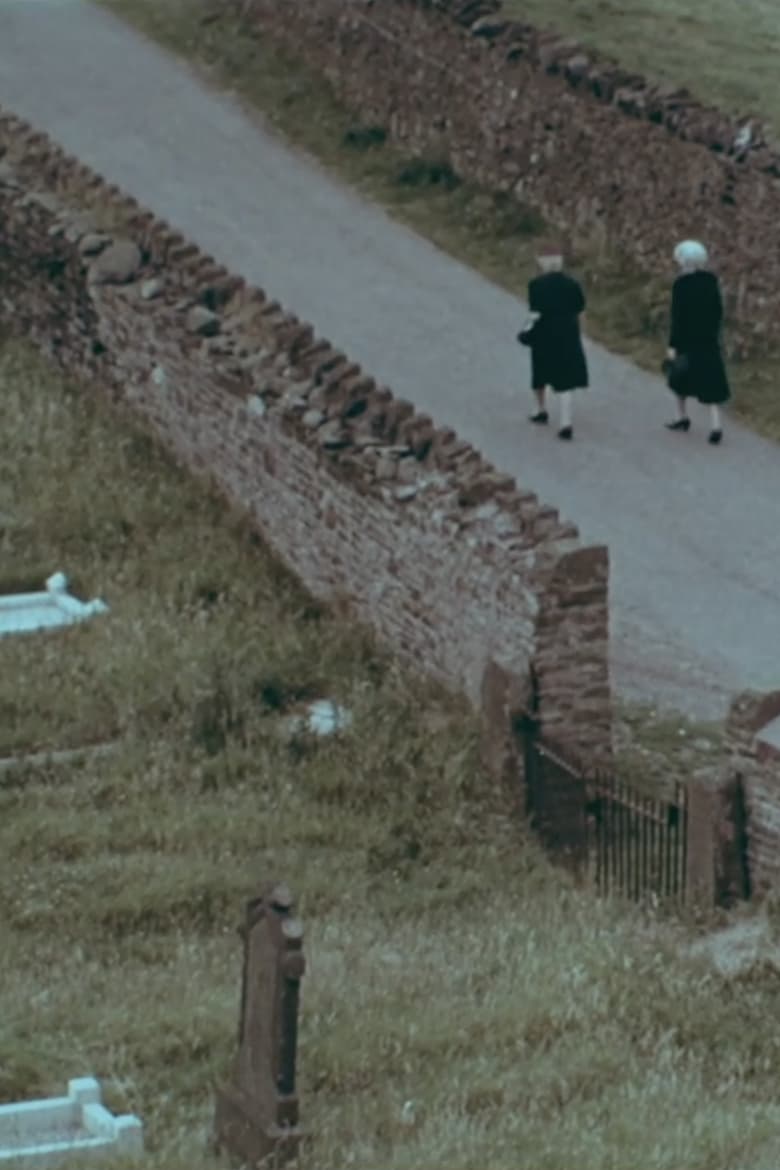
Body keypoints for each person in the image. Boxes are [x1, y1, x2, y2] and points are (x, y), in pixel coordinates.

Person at [518, 243, 589, 440]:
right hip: (568, 335)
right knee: (565, 381)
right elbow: (581, 311)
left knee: (540, 373)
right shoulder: (573, 285)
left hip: (544, 335)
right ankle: (566, 421)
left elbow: (535, 314)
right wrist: (581, 335)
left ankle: (539, 409)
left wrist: (525, 332)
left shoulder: (536, 286)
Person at [664, 239, 731, 444]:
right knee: (712, 381)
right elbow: (718, 310)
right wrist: (715, 332)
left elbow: (677, 316)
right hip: (708, 339)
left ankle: (681, 416)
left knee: (679, 376)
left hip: (687, 340)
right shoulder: (711, 281)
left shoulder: (681, 285)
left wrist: (673, 344)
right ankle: (716, 425)